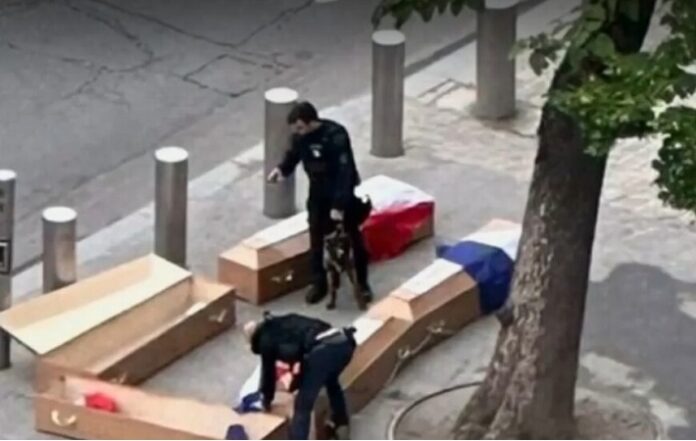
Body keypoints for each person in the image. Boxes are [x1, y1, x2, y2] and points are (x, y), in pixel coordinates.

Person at [267, 101, 373, 305]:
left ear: (311, 122)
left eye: (300, 127)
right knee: (315, 237)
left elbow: (345, 172)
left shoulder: (335, 135)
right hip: (318, 191)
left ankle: (362, 283)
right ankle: (318, 282)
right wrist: (281, 170)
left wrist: (339, 205)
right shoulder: (300, 138)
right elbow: (293, 155)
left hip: (340, 191)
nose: (298, 132)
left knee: (353, 238)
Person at [243, 312, 357, 440]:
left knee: (303, 405)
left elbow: (268, 374)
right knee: (331, 381)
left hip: (323, 350)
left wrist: (266, 401)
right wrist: (296, 384)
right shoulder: (284, 323)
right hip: (344, 343)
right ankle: (341, 424)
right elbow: (302, 362)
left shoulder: (265, 340)